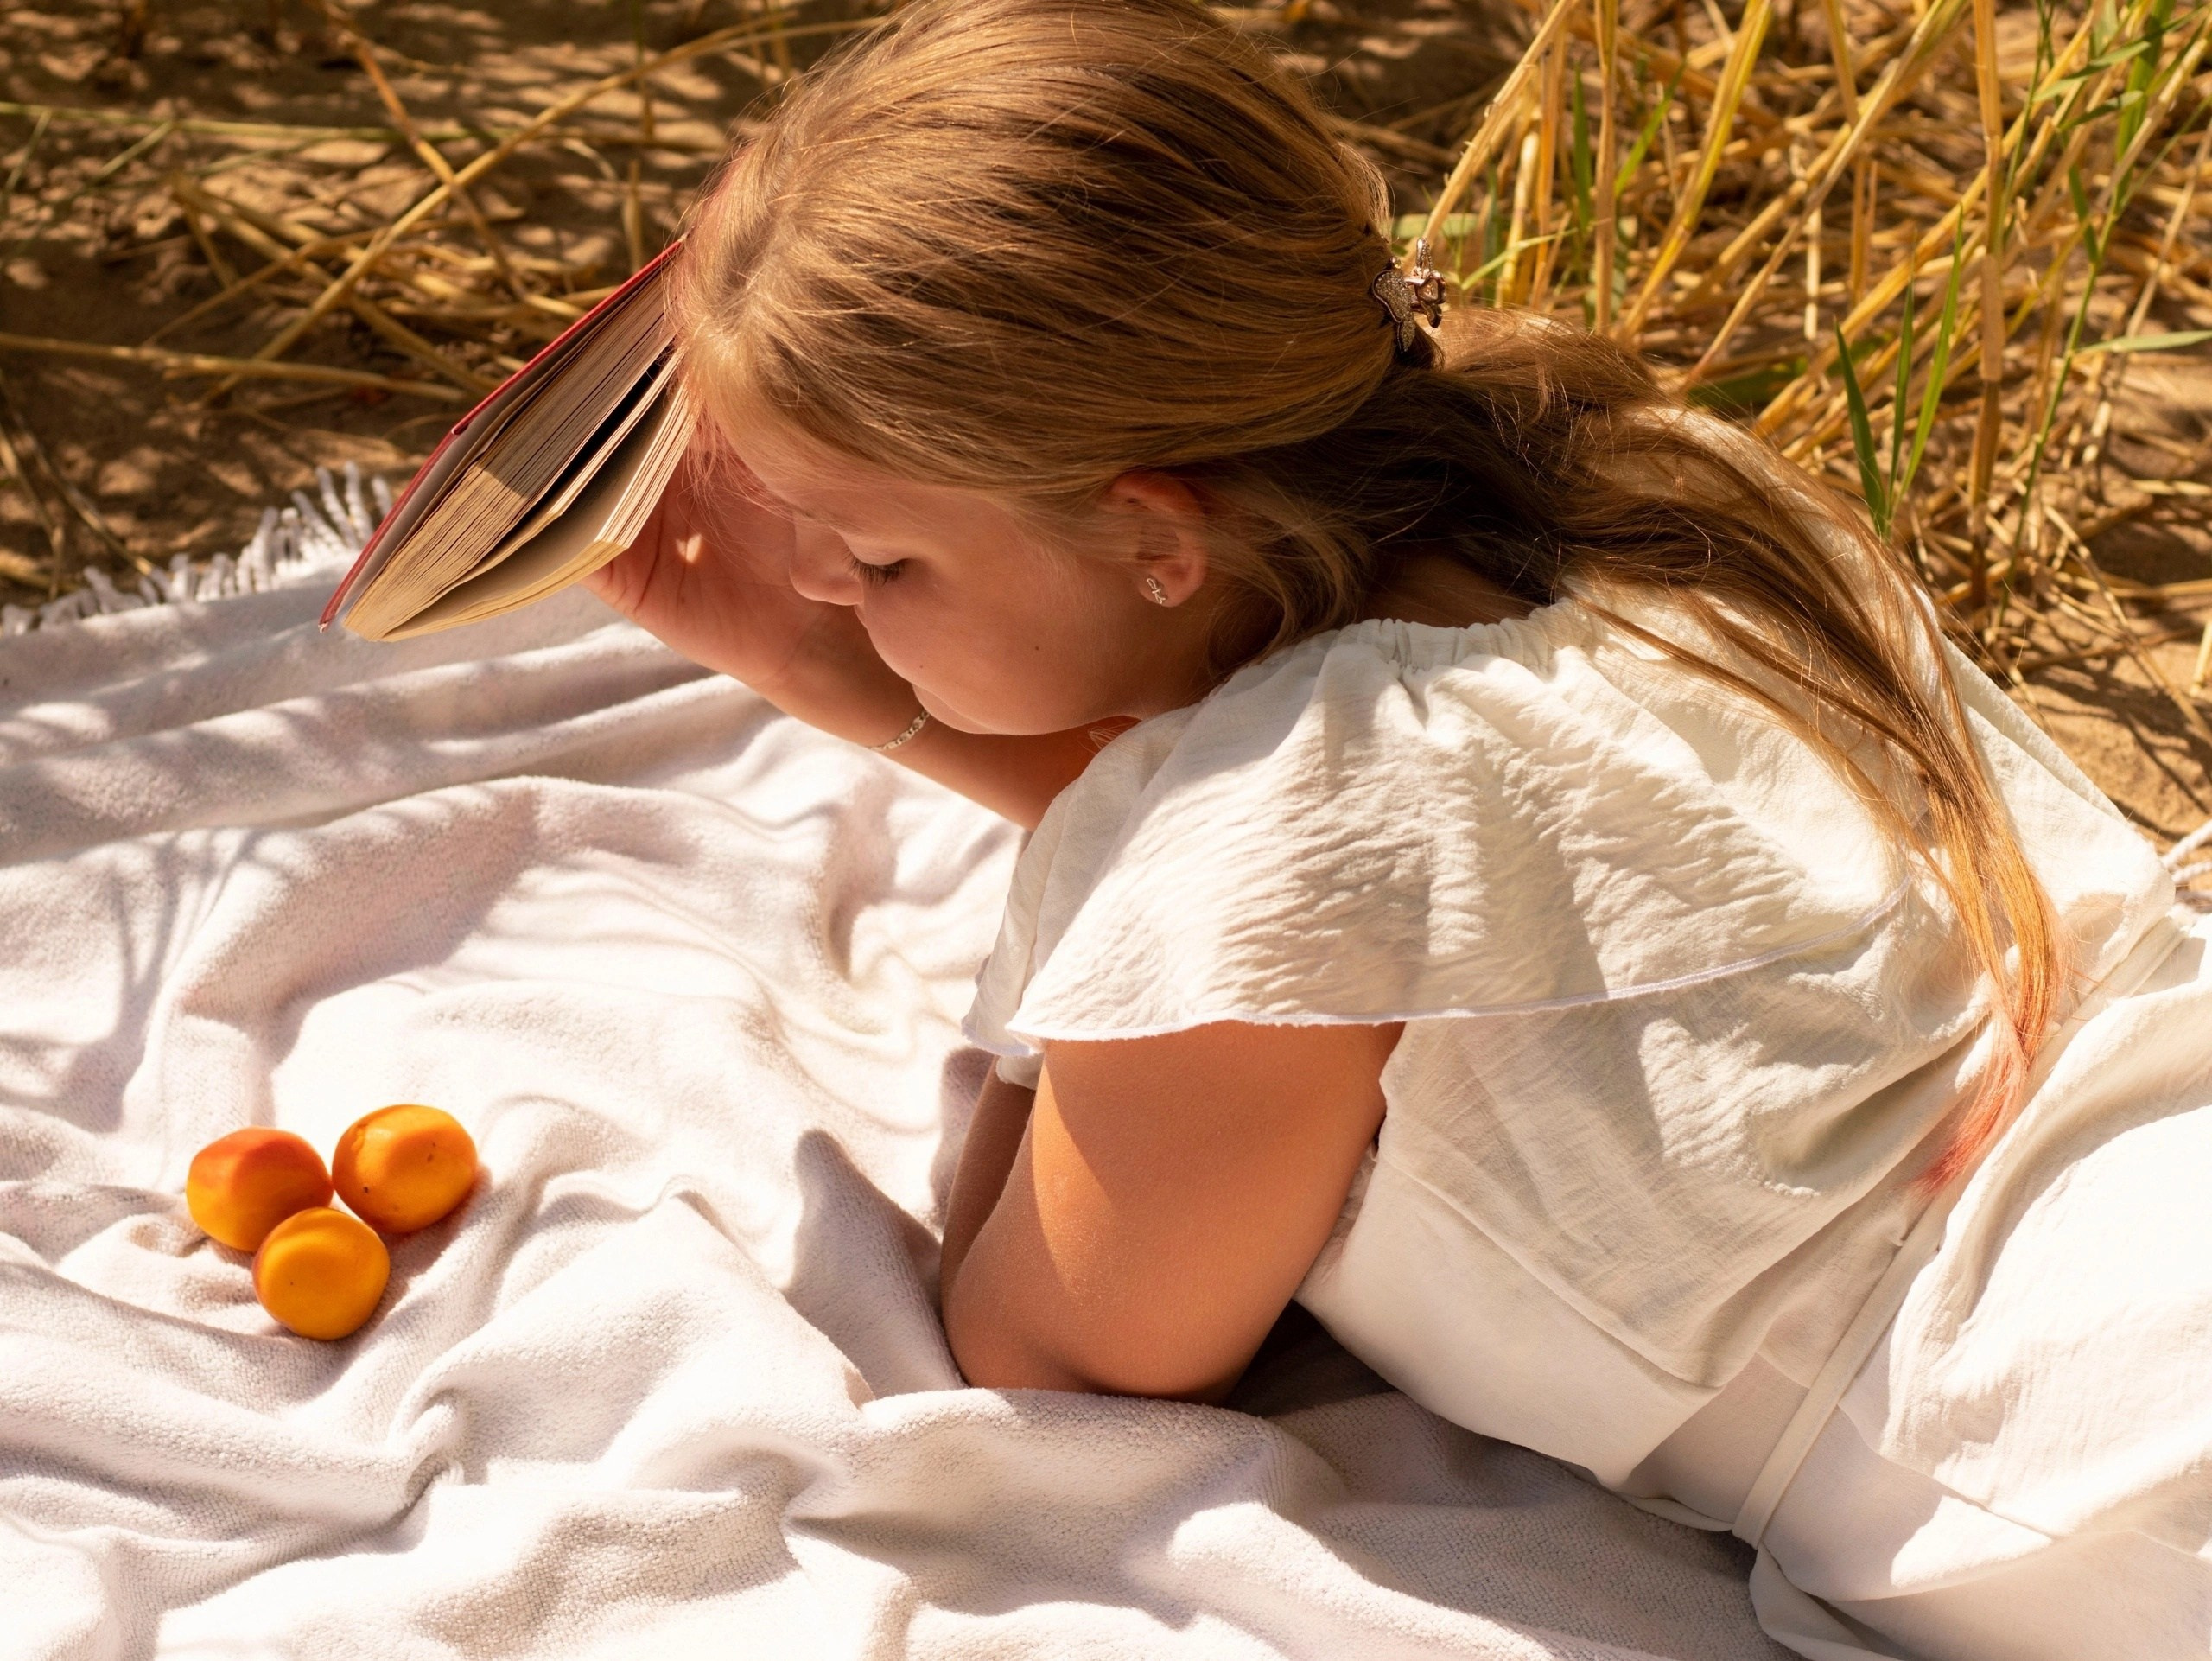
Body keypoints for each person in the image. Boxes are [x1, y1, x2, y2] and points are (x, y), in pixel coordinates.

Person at [586, 2, 2212, 1655]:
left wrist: (850, 691)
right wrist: (858, 664)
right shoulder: (1651, 489)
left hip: (2112, 1455)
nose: (815, 590)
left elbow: (1052, 1347)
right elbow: (1407, 893)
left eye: (874, 561)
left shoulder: (1268, 840)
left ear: (1158, 532)